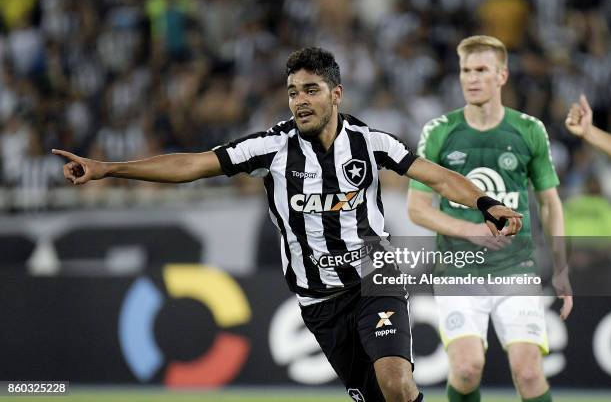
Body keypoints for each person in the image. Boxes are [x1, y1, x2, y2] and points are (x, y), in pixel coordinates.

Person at [53, 47, 522, 402]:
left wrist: (486, 202)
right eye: (294, 91)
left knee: (397, 384)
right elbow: (191, 166)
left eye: (311, 90)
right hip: (319, 300)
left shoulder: (371, 142)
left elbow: (435, 175)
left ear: (336, 95)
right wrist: (108, 168)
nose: (300, 100)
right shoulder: (268, 149)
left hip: (376, 277)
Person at [407, 36, 572, 402]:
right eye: (466, 70)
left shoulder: (530, 129)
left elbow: (550, 203)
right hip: (458, 270)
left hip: (516, 269)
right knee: (466, 370)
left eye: (481, 70)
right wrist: (472, 230)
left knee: (528, 373)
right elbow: (417, 209)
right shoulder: (439, 131)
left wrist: (560, 267)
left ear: (502, 76)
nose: (471, 78)